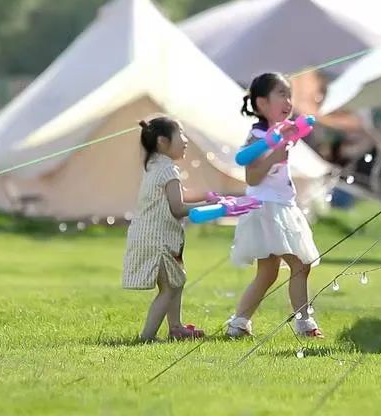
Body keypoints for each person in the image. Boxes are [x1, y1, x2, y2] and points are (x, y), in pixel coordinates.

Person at [226, 73, 323, 338]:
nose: (288, 101)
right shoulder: (258, 136)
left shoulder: (277, 133)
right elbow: (252, 176)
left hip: (281, 206)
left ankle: (238, 323)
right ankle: (305, 324)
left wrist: (290, 137)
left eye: (289, 94)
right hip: (267, 208)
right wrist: (275, 155)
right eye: (281, 94)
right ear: (261, 104)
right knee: (300, 264)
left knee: (268, 273)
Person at [123, 116, 219, 341]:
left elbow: (177, 197)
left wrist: (206, 197)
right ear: (163, 142)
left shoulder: (155, 166)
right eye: (181, 135)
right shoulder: (168, 171)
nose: (185, 140)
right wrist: (210, 207)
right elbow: (178, 207)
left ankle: (176, 328)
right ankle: (146, 336)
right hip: (159, 241)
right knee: (169, 288)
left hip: (148, 236)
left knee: (175, 282)